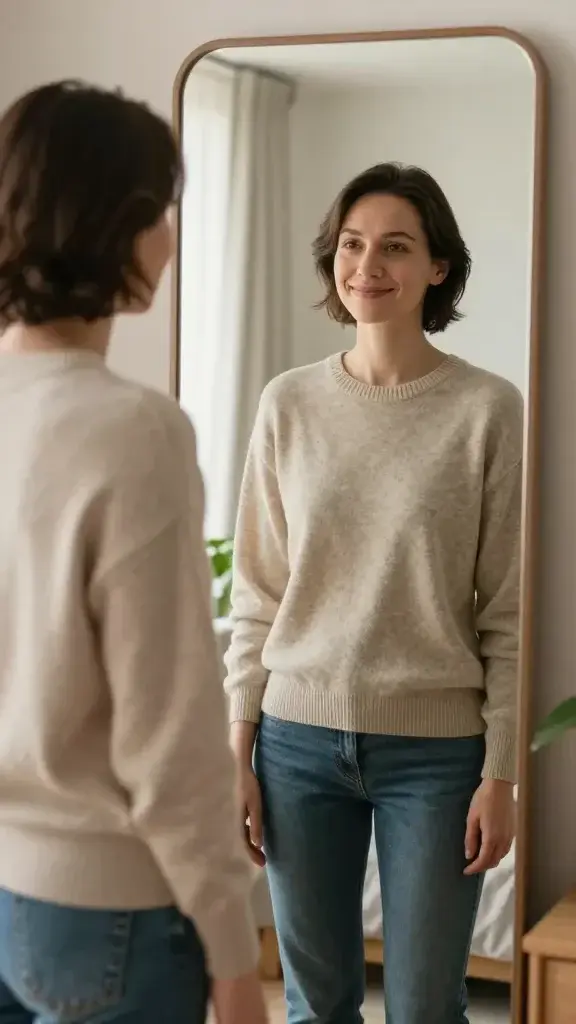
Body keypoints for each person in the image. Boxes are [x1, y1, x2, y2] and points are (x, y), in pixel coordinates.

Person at [225, 162, 521, 1024]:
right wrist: (237, 750)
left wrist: (500, 771)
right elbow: (257, 593)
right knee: (316, 1007)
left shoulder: (488, 410)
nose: (368, 266)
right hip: (293, 745)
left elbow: (507, 609)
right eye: (352, 245)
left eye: (396, 246)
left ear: (438, 267)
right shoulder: (288, 404)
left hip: (435, 756)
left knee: (428, 1007)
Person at [0, 81, 267, 1024]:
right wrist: (236, 954)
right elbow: (171, 727)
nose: (170, 234)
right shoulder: (132, 430)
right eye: (161, 208)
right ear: (116, 220)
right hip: (109, 906)